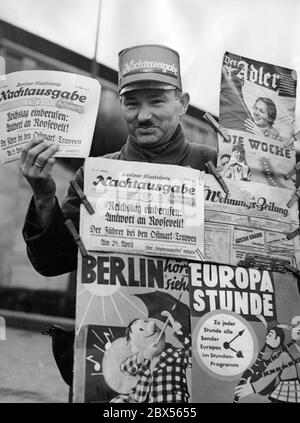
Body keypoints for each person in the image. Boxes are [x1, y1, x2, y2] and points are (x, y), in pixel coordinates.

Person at [20, 44, 217, 276]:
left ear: (182, 103)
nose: (143, 116)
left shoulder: (215, 166)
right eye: (132, 103)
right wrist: (43, 198)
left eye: (156, 102)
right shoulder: (94, 175)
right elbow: (53, 261)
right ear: (122, 104)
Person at [110, 311, 191, 403]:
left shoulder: (177, 354)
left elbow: (196, 356)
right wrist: (143, 355)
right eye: (141, 329)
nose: (153, 324)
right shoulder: (142, 358)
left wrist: (179, 329)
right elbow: (124, 368)